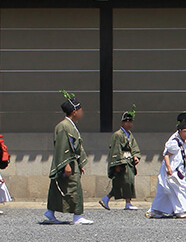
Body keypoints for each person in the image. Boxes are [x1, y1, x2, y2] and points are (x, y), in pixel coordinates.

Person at [146, 112, 186, 219]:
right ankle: (181, 211)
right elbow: (166, 155)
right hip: (172, 170)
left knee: (164, 193)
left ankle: (154, 211)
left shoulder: (184, 139)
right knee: (180, 189)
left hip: (176, 170)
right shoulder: (174, 141)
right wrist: (169, 168)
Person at [45, 92, 92, 225]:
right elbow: (62, 146)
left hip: (73, 161)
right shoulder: (63, 126)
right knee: (72, 188)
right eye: (80, 110)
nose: (82, 112)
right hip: (67, 161)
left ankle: (50, 212)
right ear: (74, 111)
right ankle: (77, 215)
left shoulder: (70, 125)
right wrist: (65, 164)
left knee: (61, 187)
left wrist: (80, 163)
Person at [100, 107, 141, 211]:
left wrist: (135, 156)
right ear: (123, 122)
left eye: (130, 122)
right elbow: (115, 149)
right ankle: (125, 202)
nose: (129, 124)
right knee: (123, 182)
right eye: (127, 122)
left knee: (127, 182)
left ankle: (110, 199)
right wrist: (117, 163)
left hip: (129, 161)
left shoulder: (130, 135)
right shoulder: (117, 135)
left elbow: (134, 147)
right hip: (122, 161)